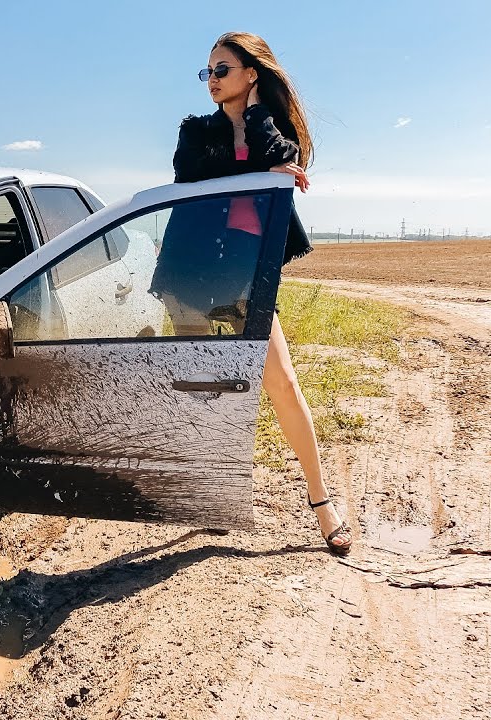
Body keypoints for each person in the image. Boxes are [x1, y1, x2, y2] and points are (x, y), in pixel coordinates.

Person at [170, 31, 351, 556]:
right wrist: (255, 169)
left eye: (222, 70)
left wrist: (254, 115)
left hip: (250, 274)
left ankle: (321, 499)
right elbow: (193, 176)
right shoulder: (195, 130)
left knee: (283, 383)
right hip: (193, 272)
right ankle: (213, 495)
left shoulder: (269, 128)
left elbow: (285, 158)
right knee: (205, 391)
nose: (212, 80)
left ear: (251, 74)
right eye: (206, 72)